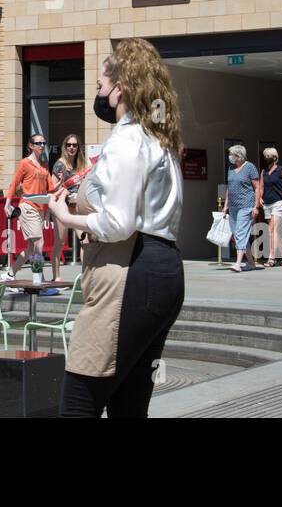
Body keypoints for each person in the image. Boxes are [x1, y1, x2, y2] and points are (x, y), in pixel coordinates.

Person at [46, 38, 184, 418]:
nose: (98, 92)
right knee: (129, 406)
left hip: (130, 271)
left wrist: (67, 217)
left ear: (120, 88)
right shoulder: (160, 137)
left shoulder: (127, 139)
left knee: (79, 402)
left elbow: (119, 223)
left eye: (101, 85)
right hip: (163, 268)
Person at [4, 134, 52, 280]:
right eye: (38, 143)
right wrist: (7, 203)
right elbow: (14, 183)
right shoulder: (25, 163)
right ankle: (39, 280)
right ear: (31, 146)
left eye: (43, 143)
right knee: (39, 242)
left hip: (40, 209)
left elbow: (50, 188)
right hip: (27, 206)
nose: (42, 145)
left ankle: (10, 274)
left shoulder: (44, 165)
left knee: (31, 248)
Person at [50, 133, 88, 280]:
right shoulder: (60, 164)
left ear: (78, 147)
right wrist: (61, 186)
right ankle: (56, 277)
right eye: (69, 145)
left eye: (74, 145)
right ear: (64, 147)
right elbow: (52, 189)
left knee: (85, 241)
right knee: (59, 242)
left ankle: (86, 276)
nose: (71, 148)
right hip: (62, 206)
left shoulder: (82, 164)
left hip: (77, 206)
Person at [221, 145, 262, 272]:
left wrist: (256, 206)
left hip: (246, 205)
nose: (230, 157)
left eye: (232, 155)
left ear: (238, 156)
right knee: (238, 235)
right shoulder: (231, 168)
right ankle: (251, 263)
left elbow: (257, 188)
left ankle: (238, 264)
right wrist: (225, 205)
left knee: (240, 233)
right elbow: (230, 187)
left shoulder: (250, 167)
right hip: (233, 207)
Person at [259, 148, 282, 267]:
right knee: (274, 232)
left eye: (268, 155)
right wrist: (259, 197)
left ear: (274, 157)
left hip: (278, 203)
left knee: (272, 229)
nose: (266, 158)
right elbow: (261, 187)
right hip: (267, 204)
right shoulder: (263, 171)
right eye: (265, 156)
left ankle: (272, 257)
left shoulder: (281, 170)